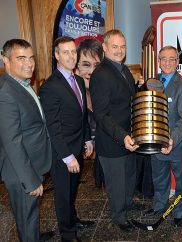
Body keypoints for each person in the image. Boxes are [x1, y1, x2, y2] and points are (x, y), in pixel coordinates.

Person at [39, 36, 94, 242]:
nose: (71, 56)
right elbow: (52, 127)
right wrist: (67, 157)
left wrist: (88, 139)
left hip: (78, 146)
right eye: (66, 52)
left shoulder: (78, 79)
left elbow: (82, 116)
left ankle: (73, 220)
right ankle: (68, 234)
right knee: (62, 195)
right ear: (56, 55)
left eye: (73, 52)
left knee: (72, 189)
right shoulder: (50, 87)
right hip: (63, 153)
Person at [0, 39, 53, 241]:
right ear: (6, 60)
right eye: (21, 58)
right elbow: (12, 142)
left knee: (31, 215)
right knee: (27, 218)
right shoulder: (5, 92)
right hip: (21, 171)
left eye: (31, 58)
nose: (29, 63)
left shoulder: (22, 83)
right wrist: (30, 180)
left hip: (33, 162)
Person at [89, 29, 142, 233]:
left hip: (129, 137)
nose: (119, 50)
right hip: (113, 140)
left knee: (129, 176)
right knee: (117, 182)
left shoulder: (124, 69)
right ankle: (119, 216)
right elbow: (101, 115)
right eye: (115, 46)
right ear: (104, 47)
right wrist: (123, 136)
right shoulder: (101, 74)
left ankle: (127, 204)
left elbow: (128, 99)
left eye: (122, 46)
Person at [144, 45, 182, 228]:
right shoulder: (152, 81)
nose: (167, 62)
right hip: (155, 143)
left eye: (171, 59)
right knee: (159, 177)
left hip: (176, 143)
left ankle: (180, 211)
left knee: (181, 180)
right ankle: (159, 205)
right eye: (163, 59)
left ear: (177, 62)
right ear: (158, 61)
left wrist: (171, 139)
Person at [75, 38, 105, 188]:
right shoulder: (71, 98)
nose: (92, 71)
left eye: (97, 65)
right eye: (86, 65)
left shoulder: (105, 93)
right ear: (76, 67)